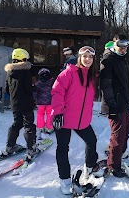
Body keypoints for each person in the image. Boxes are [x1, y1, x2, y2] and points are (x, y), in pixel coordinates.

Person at [51, 46, 99, 195]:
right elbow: (57, 91)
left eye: (90, 57)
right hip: (64, 118)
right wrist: (58, 112)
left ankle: (89, 167)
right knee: (63, 148)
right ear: (79, 57)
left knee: (92, 141)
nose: (87, 59)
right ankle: (64, 179)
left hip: (81, 119)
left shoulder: (91, 77)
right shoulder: (68, 73)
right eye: (84, 56)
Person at [100, 34, 129, 178]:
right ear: (114, 45)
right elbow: (105, 86)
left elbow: (122, 84)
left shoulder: (121, 59)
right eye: (121, 45)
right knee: (118, 136)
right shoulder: (108, 60)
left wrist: (128, 98)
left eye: (126, 45)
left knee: (126, 130)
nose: (124, 48)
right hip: (114, 104)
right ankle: (113, 165)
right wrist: (111, 105)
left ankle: (120, 154)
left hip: (123, 102)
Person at [3, 48, 38, 159]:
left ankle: (10, 146)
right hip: (26, 103)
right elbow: (28, 88)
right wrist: (34, 90)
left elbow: (8, 89)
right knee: (29, 125)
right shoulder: (25, 72)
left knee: (17, 123)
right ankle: (31, 149)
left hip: (15, 103)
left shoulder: (10, 72)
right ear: (23, 59)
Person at [33, 68, 55, 139]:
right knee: (49, 114)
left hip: (40, 102)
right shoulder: (52, 82)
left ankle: (41, 127)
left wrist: (35, 100)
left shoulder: (38, 83)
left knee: (40, 114)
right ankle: (50, 127)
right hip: (50, 102)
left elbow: (35, 93)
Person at [99, 41, 115, 115]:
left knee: (105, 94)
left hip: (105, 77)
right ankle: (107, 110)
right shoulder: (109, 55)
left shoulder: (105, 55)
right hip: (108, 77)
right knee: (108, 94)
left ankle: (104, 109)